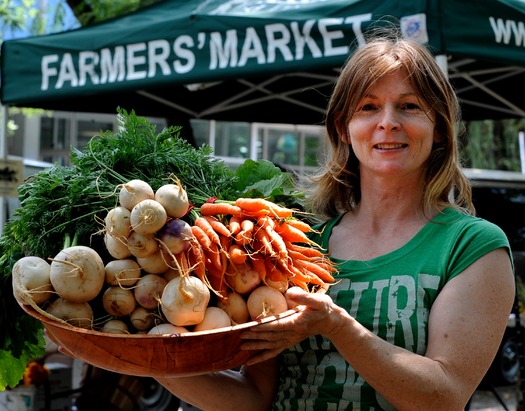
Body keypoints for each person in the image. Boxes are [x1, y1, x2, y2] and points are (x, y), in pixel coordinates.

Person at [63, 32, 516, 410]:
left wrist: (340, 328)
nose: (388, 123)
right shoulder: (297, 241)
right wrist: (140, 358)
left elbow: (446, 396)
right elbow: (253, 399)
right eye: (368, 107)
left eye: (410, 106)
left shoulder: (472, 246)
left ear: (439, 127)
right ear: (343, 127)